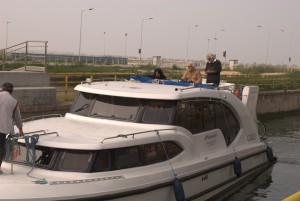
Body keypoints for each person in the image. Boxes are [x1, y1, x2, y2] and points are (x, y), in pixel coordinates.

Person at [0, 83, 24, 173]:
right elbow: (17, 118)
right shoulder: (14, 101)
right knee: (1, 148)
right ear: (11, 91)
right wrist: (21, 130)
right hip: (2, 129)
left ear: (2, 88)